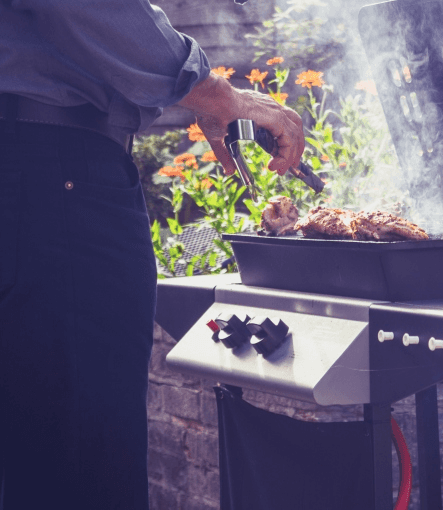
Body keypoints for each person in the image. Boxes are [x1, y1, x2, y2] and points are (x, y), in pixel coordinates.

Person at [0, 1, 305, 508]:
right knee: (85, 461)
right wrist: (213, 93)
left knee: (31, 453)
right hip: (55, 174)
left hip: (31, 170)